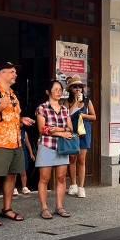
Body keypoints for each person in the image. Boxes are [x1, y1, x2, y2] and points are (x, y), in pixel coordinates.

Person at [0, 62, 35, 227]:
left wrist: (22, 120)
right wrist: (0, 107)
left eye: (15, 72)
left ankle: (7, 208)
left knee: (12, 176)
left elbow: (11, 116)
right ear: (0, 73)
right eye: (11, 72)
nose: (15, 74)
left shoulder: (12, 94)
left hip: (15, 142)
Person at [35, 80, 74, 219]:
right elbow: (42, 129)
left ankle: (59, 207)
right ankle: (44, 208)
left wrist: (57, 129)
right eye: (56, 89)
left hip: (62, 147)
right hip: (46, 145)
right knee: (44, 178)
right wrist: (60, 132)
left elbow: (70, 129)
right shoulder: (42, 108)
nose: (59, 92)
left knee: (61, 178)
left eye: (60, 89)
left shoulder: (65, 109)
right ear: (48, 92)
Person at [65, 76, 97, 198]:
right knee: (72, 158)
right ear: (71, 89)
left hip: (84, 132)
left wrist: (84, 115)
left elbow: (94, 117)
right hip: (72, 131)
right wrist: (77, 103)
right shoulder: (67, 102)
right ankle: (73, 184)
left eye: (80, 87)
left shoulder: (88, 101)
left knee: (82, 159)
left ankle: (81, 187)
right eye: (75, 87)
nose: (78, 89)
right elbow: (67, 115)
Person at [17, 124, 34, 195]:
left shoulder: (24, 132)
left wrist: (31, 153)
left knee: (23, 171)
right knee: (13, 173)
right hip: (14, 152)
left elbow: (28, 143)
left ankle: (24, 187)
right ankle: (13, 188)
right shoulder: (11, 131)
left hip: (23, 152)